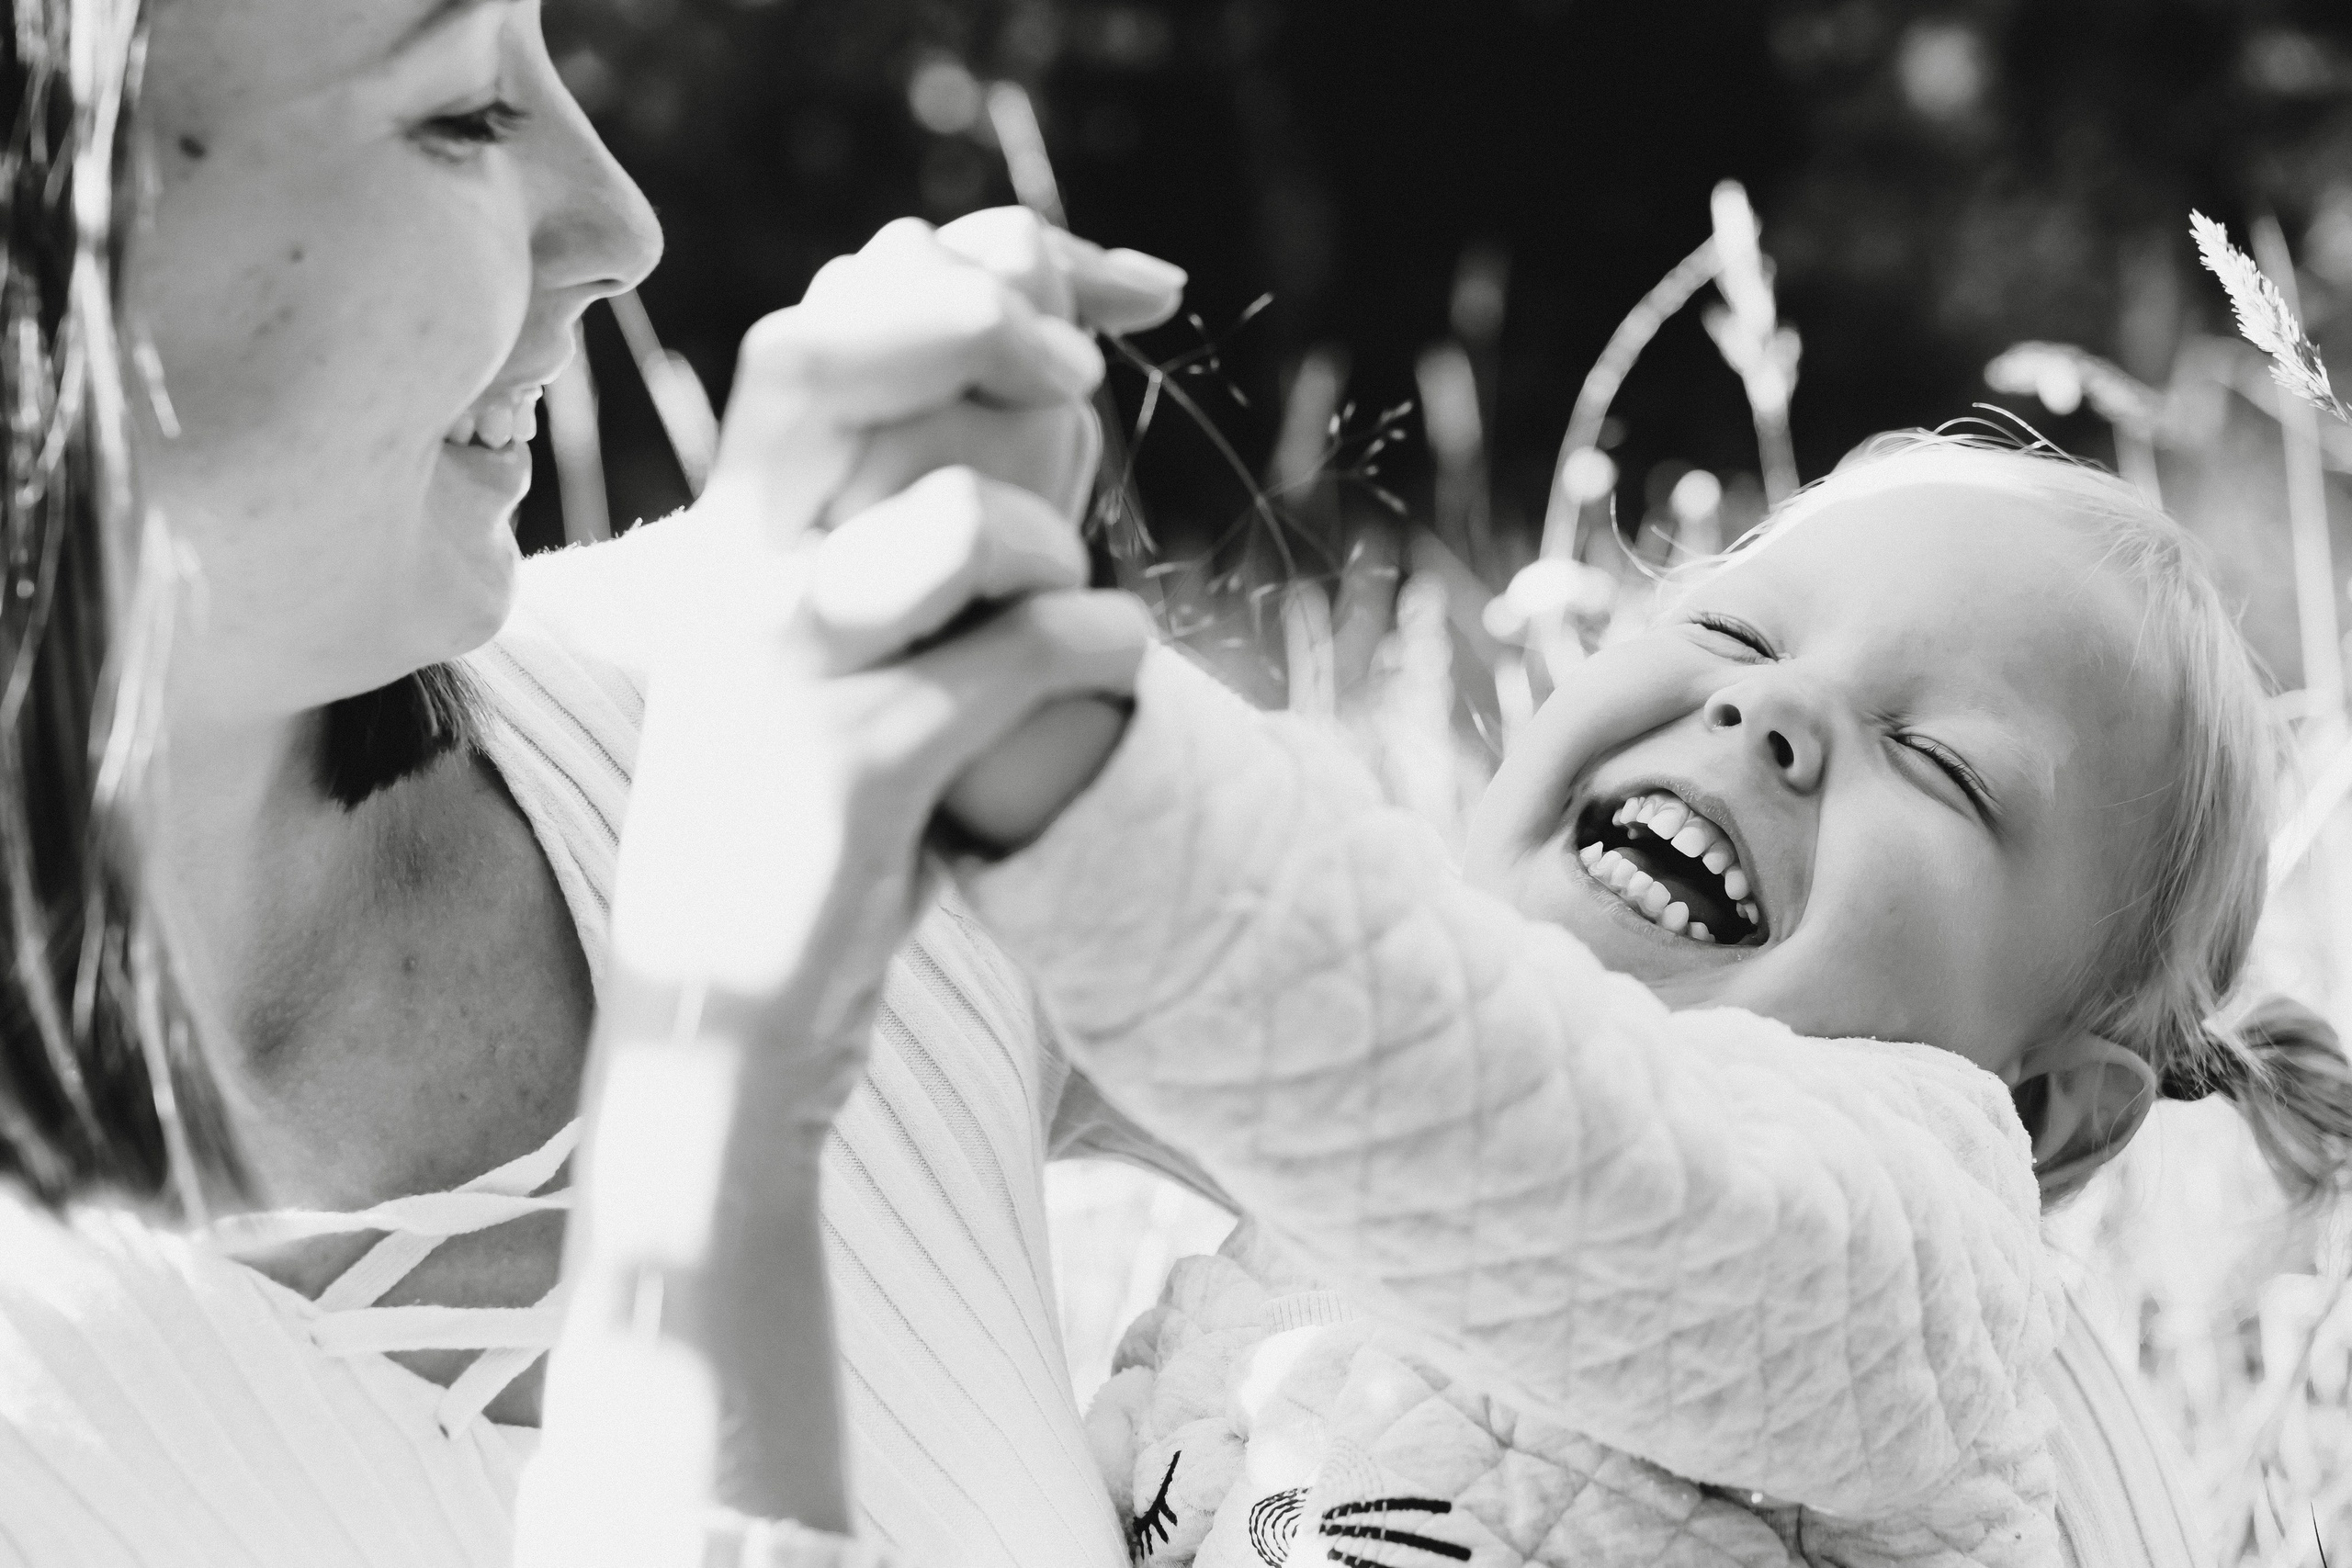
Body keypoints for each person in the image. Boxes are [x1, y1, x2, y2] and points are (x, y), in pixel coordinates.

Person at [0, 6, 2238, 1568]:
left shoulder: (780, 663)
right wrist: (727, 1037)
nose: (620, 218)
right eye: (455, 112)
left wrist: (1004, 699)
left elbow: (1548, 1100)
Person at [924, 436, 2352, 1563]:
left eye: (1936, 759)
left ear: (2038, 1101)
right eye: (1736, 631)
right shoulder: (1361, 1135)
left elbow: (1632, 1196)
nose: (1768, 710)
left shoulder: (1920, 1265)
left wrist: (1119, 809)